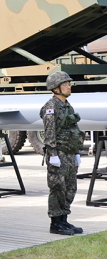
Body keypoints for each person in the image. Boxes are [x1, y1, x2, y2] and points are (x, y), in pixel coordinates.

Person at [41, 71, 85, 236]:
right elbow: (50, 133)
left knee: (70, 187)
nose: (69, 86)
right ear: (55, 88)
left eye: (69, 83)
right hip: (57, 154)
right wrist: (52, 155)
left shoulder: (67, 106)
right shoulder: (51, 107)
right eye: (65, 84)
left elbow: (73, 130)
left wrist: (76, 152)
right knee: (57, 188)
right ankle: (56, 223)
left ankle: (64, 220)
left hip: (69, 153)